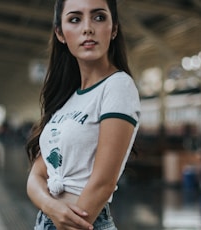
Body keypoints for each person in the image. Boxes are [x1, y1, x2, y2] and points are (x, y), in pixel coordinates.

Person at [26, 0, 141, 229]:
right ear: (60, 32)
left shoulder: (118, 86)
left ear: (114, 28)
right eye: (75, 19)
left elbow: (102, 184)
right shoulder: (66, 99)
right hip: (48, 221)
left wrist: (64, 219)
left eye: (98, 17)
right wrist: (53, 209)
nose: (88, 28)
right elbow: (36, 176)